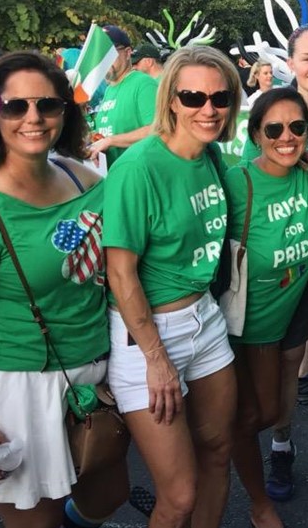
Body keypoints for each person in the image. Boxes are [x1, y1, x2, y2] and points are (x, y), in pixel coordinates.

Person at [0, 52, 127, 528]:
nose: (33, 118)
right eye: (15, 107)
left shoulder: (85, 179)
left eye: (47, 105)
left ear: (64, 112)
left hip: (92, 381)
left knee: (110, 495)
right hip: (16, 391)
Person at [104, 45, 239, 528]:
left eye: (220, 98)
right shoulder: (138, 168)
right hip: (148, 337)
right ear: (171, 100)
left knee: (219, 453)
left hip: (205, 322)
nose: (208, 109)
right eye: (193, 96)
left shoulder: (212, 156)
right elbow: (120, 273)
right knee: (178, 495)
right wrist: (156, 359)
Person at [240, 25, 308, 503]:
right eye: (307, 57)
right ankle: (281, 445)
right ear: (291, 61)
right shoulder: (273, 115)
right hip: (278, 265)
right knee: (285, 364)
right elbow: (249, 182)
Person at [226, 88, 308, 528]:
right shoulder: (236, 182)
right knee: (253, 417)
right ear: (255, 135)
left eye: (297, 127)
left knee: (268, 411)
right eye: (274, 129)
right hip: (247, 327)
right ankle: (257, 502)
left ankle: (263, 480)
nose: (287, 137)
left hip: (289, 318)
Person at [89, 25, 159, 166]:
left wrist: (111, 141)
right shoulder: (109, 90)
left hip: (139, 176)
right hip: (114, 175)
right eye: (99, 55)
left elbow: (158, 129)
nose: (104, 60)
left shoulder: (143, 84)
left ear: (127, 53)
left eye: (109, 54)